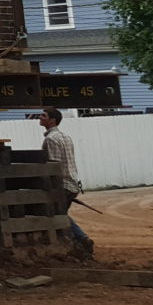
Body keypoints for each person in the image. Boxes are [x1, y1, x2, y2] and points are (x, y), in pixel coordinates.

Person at [39, 108, 93, 258]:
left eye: (44, 115)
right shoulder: (66, 137)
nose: (40, 117)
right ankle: (79, 242)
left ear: (52, 120)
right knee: (61, 214)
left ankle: (81, 239)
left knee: (59, 215)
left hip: (62, 184)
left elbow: (54, 165)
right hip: (73, 182)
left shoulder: (51, 139)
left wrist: (51, 186)